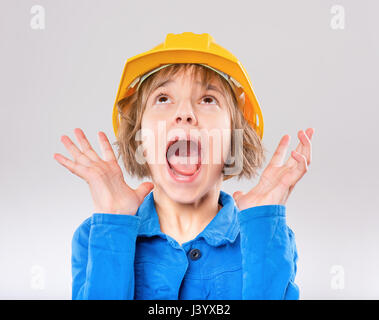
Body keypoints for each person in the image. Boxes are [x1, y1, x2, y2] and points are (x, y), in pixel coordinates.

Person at [53, 32, 314, 300]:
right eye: (163, 98)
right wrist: (114, 224)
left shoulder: (265, 238)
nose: (185, 113)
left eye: (208, 99)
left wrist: (262, 225)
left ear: (234, 141)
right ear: (140, 139)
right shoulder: (95, 236)